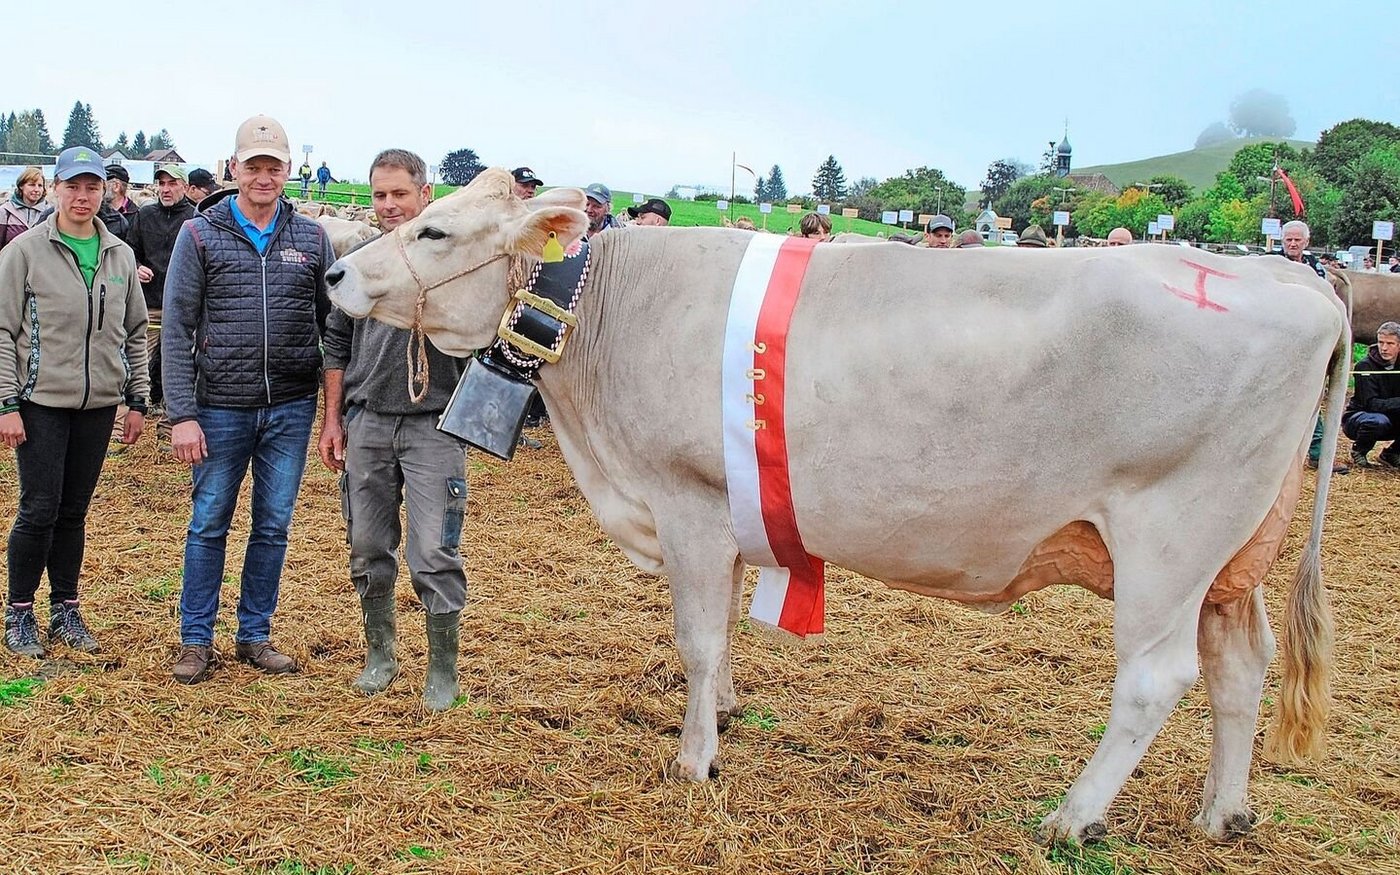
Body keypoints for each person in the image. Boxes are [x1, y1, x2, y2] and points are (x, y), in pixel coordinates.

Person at [162, 115, 334, 685]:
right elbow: (177, 327)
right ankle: (195, 639)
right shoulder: (200, 233)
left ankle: (254, 634)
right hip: (219, 405)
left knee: (274, 523)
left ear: (287, 171)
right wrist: (182, 413)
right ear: (233, 168)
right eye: (253, 165)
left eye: (273, 166)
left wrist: (334, 404)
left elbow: (329, 323)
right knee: (209, 521)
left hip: (288, 405)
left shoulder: (310, 237)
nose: (263, 176)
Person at [319, 148, 469, 710]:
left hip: (435, 423)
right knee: (366, 545)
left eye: (399, 194)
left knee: (434, 551)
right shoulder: (358, 261)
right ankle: (380, 654)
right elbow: (335, 342)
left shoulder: (451, 258)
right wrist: (333, 419)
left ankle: (442, 669)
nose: (388, 205)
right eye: (380, 195)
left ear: (423, 195)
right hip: (369, 421)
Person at [0, 147, 148, 657]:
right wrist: (6, 403)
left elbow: (134, 331)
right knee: (39, 507)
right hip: (40, 400)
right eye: (73, 186)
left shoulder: (119, 255)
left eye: (92, 187)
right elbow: (3, 328)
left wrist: (137, 399)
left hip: (98, 404)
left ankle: (66, 608)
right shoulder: (24, 251)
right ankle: (19, 611)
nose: (82, 197)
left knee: (74, 511)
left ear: (104, 191)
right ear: (56, 189)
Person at [127, 164, 196, 424]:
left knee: (180, 362)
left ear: (185, 187)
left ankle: (173, 417)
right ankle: (137, 409)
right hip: (151, 302)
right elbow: (129, 248)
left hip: (184, 305)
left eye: (172, 183)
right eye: (162, 184)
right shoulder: (145, 215)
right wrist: (137, 266)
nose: (166, 189)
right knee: (141, 358)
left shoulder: (195, 218)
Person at [1283, 220, 1348, 474]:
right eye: (1289, 239)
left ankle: (1318, 452)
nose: (1292, 243)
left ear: (1306, 242)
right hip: (1278, 337)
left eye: (1297, 239)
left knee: (1310, 396)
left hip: (1307, 340)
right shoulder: (1270, 263)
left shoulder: (1315, 269)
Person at [1344, 322, 1400, 468]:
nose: (1384, 348)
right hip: (1361, 417)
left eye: (1390, 343)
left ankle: (1392, 453)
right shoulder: (1364, 367)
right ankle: (1359, 451)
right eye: (1381, 342)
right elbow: (1371, 404)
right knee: (1377, 421)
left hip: (1392, 416)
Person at [1, 166, 47, 250]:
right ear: (21, 186)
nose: (36, 189)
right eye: (32, 185)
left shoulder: (50, 212)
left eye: (40, 185)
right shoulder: (5, 211)